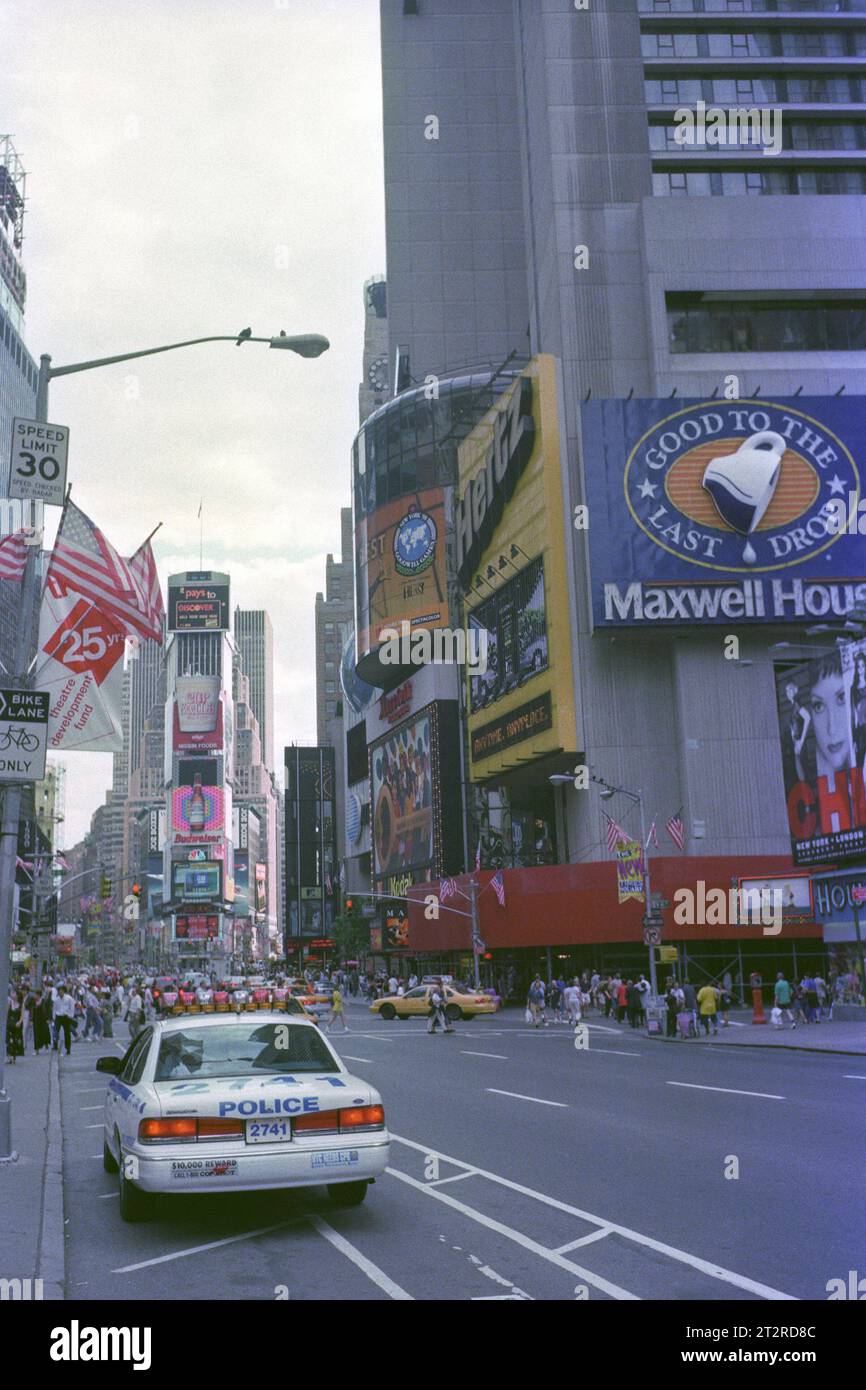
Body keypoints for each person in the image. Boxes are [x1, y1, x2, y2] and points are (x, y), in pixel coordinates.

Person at [53, 986, 76, 1055]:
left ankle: (68, 1048)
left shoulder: (69, 998)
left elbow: (72, 1007)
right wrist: (54, 1018)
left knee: (67, 1033)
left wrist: (70, 1016)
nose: (60, 992)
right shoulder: (56, 1000)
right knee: (56, 1031)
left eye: (61, 991)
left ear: (64, 991)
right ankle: (55, 1044)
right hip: (58, 1016)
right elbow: (54, 1009)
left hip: (66, 1017)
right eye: (59, 991)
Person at [6, 991, 24, 1064]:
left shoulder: (21, 1004)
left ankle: (14, 1057)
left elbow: (22, 1016)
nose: (12, 995)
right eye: (12, 993)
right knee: (9, 1040)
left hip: (17, 1024)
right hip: (10, 1024)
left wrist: (19, 1022)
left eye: (14, 993)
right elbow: (7, 1014)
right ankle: (9, 1057)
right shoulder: (9, 1003)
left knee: (16, 1040)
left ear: (17, 995)